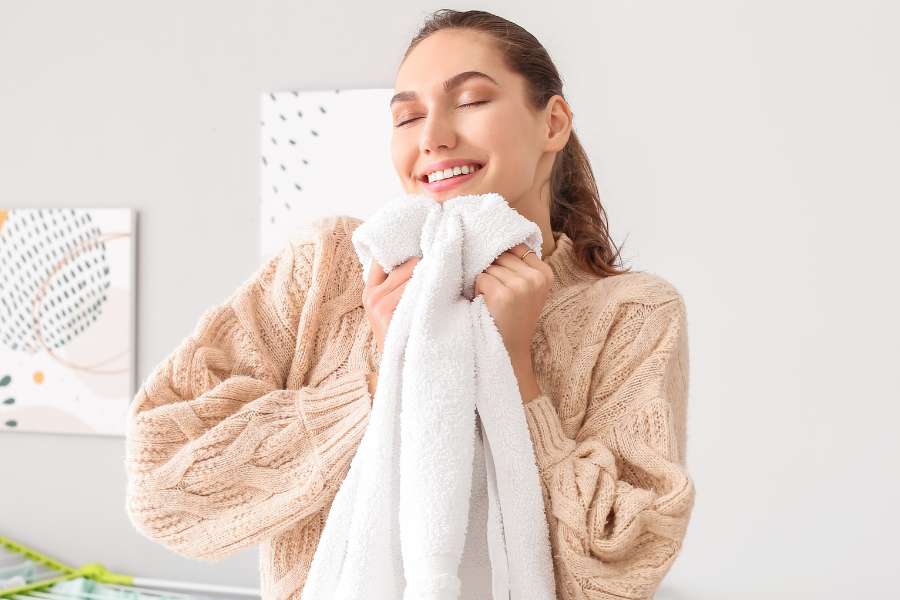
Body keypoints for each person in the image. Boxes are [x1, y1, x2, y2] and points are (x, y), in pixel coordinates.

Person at [124, 9, 695, 600]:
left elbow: (620, 572)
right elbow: (161, 486)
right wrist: (382, 373)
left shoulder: (632, 314)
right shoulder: (325, 269)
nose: (433, 137)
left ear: (553, 123)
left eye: (470, 101)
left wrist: (518, 376)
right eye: (408, 116)